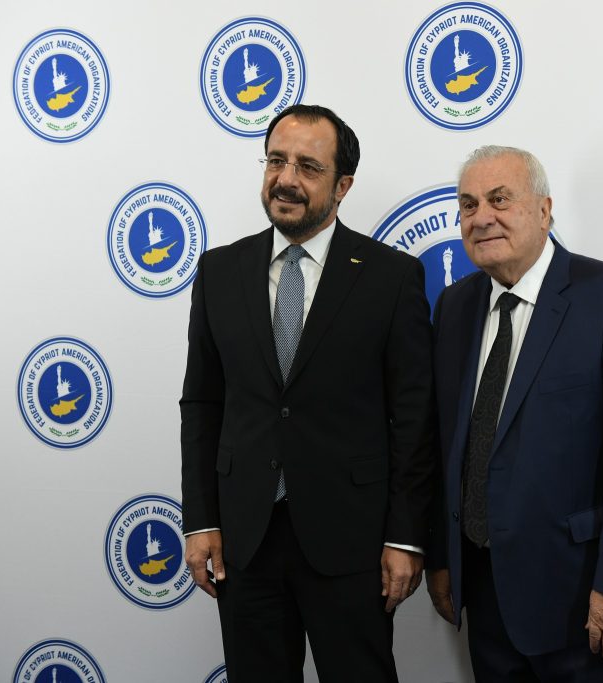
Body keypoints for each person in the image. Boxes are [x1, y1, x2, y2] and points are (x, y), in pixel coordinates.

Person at [180, 104, 435, 682]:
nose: (286, 179)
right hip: (245, 538)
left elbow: (413, 418)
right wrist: (200, 520)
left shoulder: (391, 277)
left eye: (308, 167)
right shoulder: (219, 271)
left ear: (343, 186)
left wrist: (405, 537)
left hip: (353, 541)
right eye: (276, 160)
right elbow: (202, 404)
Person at [426, 146, 603, 682]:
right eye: (468, 204)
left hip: (587, 600)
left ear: (544, 210)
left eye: (499, 200)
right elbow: (446, 445)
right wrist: (443, 560)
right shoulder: (454, 307)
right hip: (487, 595)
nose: (481, 217)